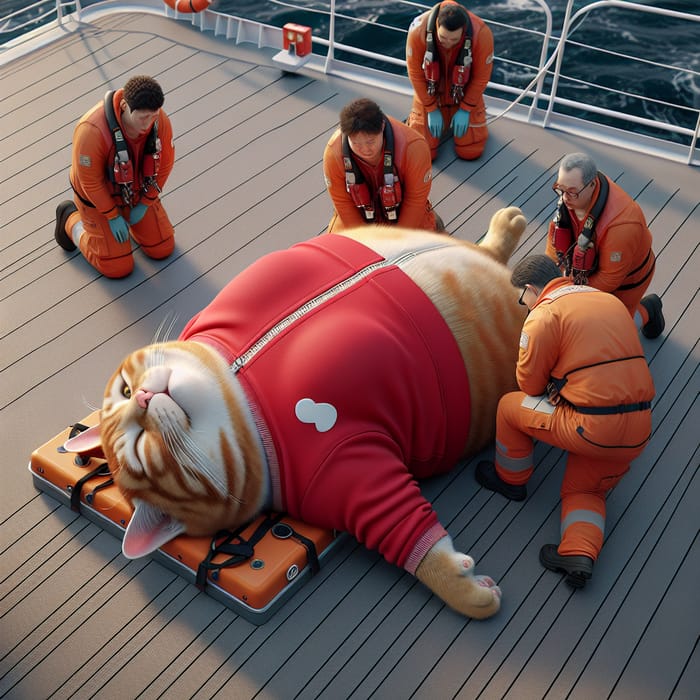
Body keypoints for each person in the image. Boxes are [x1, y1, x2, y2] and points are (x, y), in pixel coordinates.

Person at [475, 255, 655, 588]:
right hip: (639, 428)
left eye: (522, 297)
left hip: (589, 426)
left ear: (531, 289)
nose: (524, 304)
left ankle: (510, 480)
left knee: (509, 407)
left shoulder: (543, 317)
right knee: (586, 489)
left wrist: (551, 383)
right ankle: (578, 553)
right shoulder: (608, 301)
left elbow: (528, 386)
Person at [54, 75, 176, 278]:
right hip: (98, 201)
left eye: (153, 116)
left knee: (162, 247)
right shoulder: (91, 130)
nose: (148, 124)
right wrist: (111, 215)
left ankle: (132, 223)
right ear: (124, 105)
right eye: (142, 117)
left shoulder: (159, 121)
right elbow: (90, 182)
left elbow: (165, 165)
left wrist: (146, 203)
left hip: (136, 193)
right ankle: (70, 220)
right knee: (118, 267)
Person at [545, 152, 664, 339]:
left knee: (613, 334)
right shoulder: (570, 198)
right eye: (560, 189)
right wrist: (552, 279)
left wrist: (568, 291)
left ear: (592, 185)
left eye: (571, 192)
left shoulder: (623, 224)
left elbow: (610, 280)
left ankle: (649, 309)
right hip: (584, 273)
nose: (565, 197)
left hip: (626, 283)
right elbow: (554, 243)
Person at [322, 98, 444, 233]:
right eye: (356, 144)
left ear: (382, 127)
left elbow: (415, 201)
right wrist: (364, 240)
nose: (365, 149)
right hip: (359, 215)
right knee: (339, 248)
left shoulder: (414, 148)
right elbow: (342, 203)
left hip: (404, 213)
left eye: (370, 142)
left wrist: (397, 241)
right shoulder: (333, 153)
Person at [405, 1, 494, 161]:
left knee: (471, 151)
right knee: (423, 152)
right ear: (437, 25)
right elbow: (415, 74)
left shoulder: (481, 34)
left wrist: (466, 109)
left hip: (463, 97)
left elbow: (481, 78)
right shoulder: (418, 30)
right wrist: (430, 108)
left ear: (463, 31)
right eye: (443, 38)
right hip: (431, 95)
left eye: (454, 40)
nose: (448, 44)